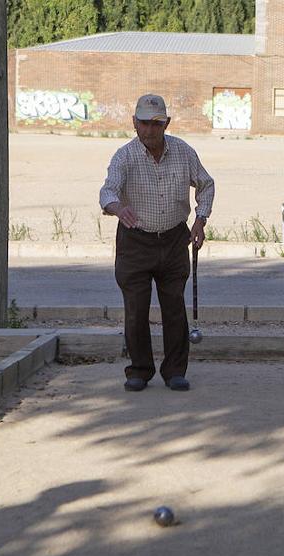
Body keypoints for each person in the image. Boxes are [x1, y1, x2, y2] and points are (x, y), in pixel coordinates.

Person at [99, 94, 214, 393]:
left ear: (167, 123)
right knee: (135, 309)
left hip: (175, 238)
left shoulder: (183, 152)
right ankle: (139, 369)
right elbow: (108, 191)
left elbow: (206, 184)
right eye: (144, 123)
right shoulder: (124, 156)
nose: (149, 130)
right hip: (135, 241)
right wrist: (117, 208)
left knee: (174, 307)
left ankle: (175, 370)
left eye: (156, 123)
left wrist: (200, 220)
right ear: (134, 123)